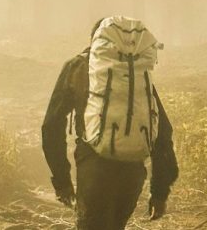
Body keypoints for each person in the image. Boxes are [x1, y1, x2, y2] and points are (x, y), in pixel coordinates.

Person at [41, 18, 178, 230]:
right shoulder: (134, 73)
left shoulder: (77, 67)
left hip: (94, 171)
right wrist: (159, 192)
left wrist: (62, 181)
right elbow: (162, 131)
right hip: (132, 175)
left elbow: (51, 126)